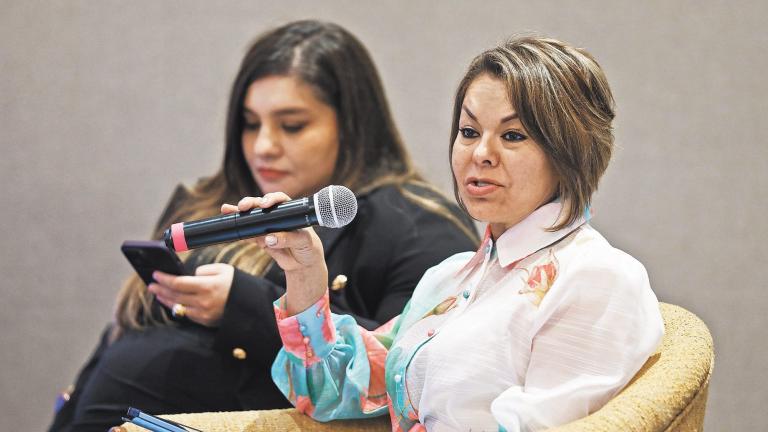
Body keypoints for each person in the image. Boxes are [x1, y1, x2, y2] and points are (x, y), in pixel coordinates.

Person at [49, 20, 477, 432]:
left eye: (292, 126)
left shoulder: (418, 224)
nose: (264, 146)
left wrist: (243, 305)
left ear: (352, 125)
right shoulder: (207, 199)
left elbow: (408, 377)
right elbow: (119, 338)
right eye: (250, 124)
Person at [243, 36, 664, 431]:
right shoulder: (451, 276)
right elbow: (331, 393)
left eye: (513, 135)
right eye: (469, 132)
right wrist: (304, 273)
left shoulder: (597, 277)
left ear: (571, 152)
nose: (480, 154)